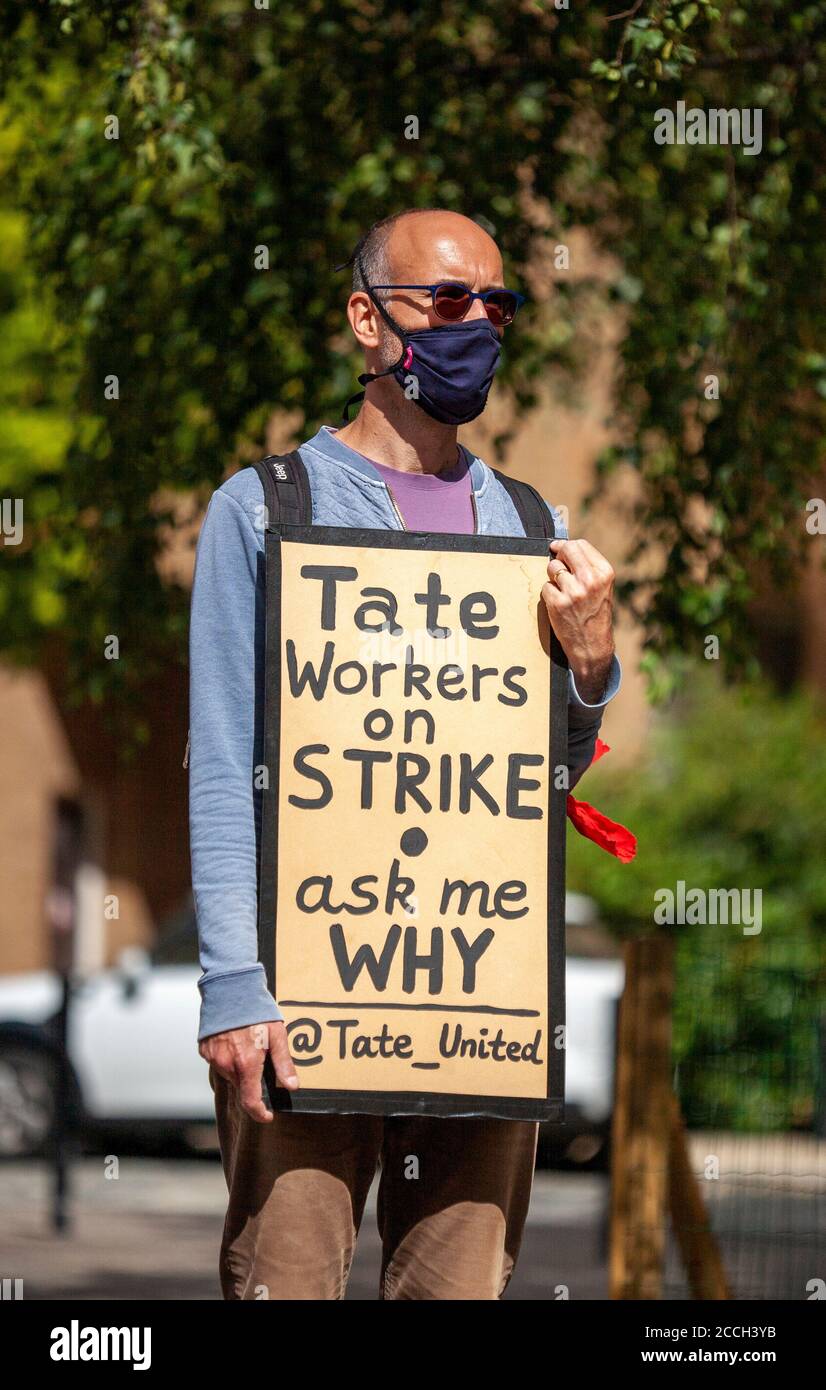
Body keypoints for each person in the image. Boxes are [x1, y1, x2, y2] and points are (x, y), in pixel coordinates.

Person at [189, 208, 621, 1300]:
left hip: (480, 1005)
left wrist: (588, 667)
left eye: (497, 305)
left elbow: (542, 781)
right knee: (283, 1282)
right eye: (446, 300)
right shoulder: (262, 511)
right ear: (365, 321)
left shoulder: (528, 524)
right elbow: (225, 759)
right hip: (306, 1003)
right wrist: (237, 986)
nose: (475, 323)